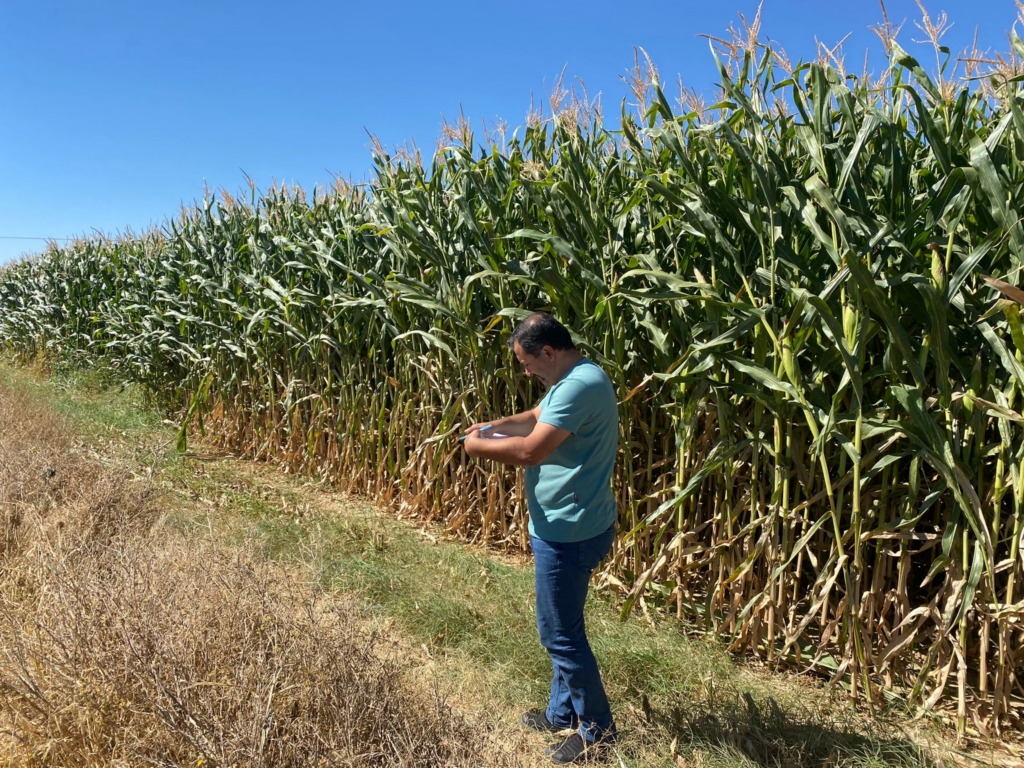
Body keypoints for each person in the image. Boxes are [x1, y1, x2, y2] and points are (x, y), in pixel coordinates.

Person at [462, 312, 618, 764]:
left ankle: (598, 732)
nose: (526, 372)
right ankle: (561, 712)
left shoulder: (578, 385)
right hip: (567, 525)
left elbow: (531, 450)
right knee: (562, 625)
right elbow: (535, 417)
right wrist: (491, 427)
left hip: (571, 531)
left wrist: (476, 447)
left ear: (548, 352)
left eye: (528, 363)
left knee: (559, 635)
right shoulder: (572, 379)